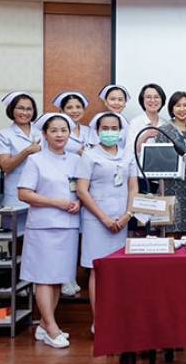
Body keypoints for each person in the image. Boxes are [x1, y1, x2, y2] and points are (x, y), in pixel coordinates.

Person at [17, 113, 80, 349]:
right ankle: (52, 329)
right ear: (45, 134)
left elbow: (81, 189)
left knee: (57, 278)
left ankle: (44, 325)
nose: (59, 135)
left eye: (64, 130)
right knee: (44, 278)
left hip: (69, 225)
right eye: (54, 131)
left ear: (70, 133)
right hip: (44, 226)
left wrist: (79, 202)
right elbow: (24, 193)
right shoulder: (36, 160)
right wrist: (56, 202)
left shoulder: (75, 160)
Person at [76, 112, 138, 334]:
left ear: (120, 131)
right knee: (98, 270)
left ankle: (117, 319)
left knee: (118, 271)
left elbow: (133, 188)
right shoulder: (89, 155)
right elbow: (82, 190)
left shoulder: (128, 155)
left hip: (121, 221)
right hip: (97, 221)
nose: (110, 132)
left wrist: (128, 215)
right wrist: (103, 217)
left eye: (114, 128)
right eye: (105, 128)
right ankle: (99, 321)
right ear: (97, 131)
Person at [52, 91, 91, 296]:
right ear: (62, 110)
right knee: (65, 237)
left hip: (88, 186)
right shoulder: (57, 132)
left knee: (82, 234)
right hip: (65, 187)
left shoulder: (90, 131)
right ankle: (65, 278)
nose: (74, 111)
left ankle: (74, 275)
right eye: (69, 107)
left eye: (78, 107)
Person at [0, 91, 42, 231]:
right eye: (20, 108)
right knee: (16, 235)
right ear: (12, 110)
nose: (25, 113)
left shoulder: (42, 132)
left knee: (38, 235)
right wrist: (27, 151)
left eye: (29, 109)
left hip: (41, 192)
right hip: (15, 195)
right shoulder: (5, 134)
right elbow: (5, 166)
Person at [154, 91, 186, 235]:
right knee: (171, 230)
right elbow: (159, 160)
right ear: (172, 108)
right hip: (170, 187)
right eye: (178, 105)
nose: (182, 109)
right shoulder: (164, 130)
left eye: (185, 105)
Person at [125, 83, 168, 160]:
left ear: (162, 100)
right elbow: (129, 153)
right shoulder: (135, 123)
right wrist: (146, 136)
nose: (153, 100)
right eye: (148, 97)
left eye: (156, 97)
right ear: (142, 100)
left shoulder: (166, 124)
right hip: (139, 166)